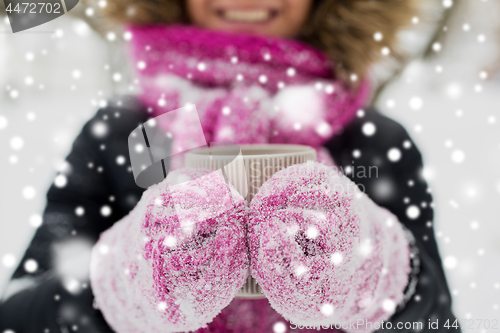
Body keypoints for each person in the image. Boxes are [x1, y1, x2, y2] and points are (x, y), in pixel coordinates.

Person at [0, 0, 460, 332]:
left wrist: (378, 273)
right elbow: (18, 315)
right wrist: (119, 286)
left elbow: (438, 321)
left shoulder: (374, 142)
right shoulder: (125, 132)